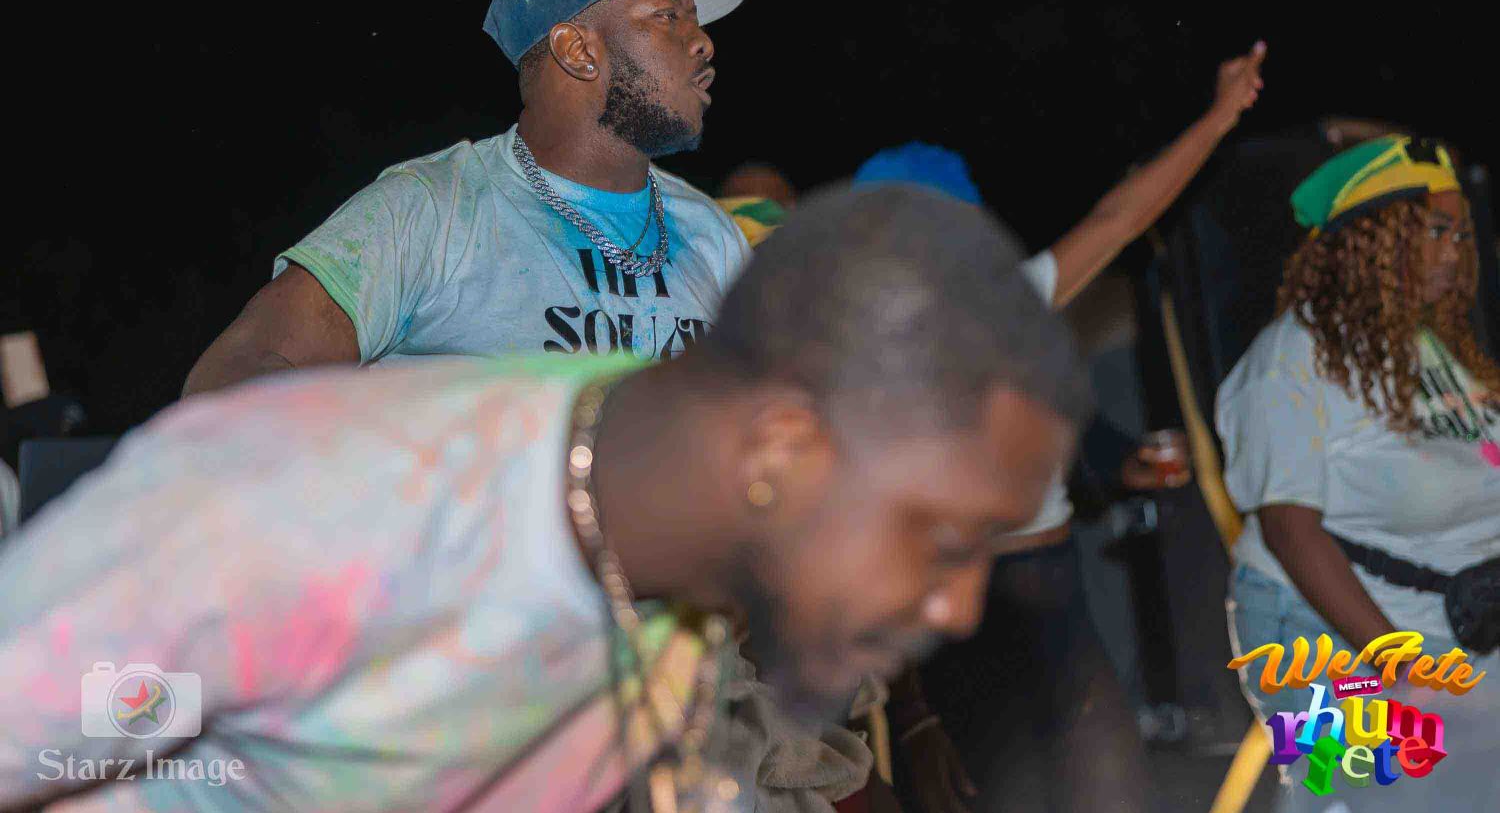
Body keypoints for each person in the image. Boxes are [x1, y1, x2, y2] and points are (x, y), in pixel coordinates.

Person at [0, 185, 1090, 813]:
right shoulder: (328, 521)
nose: (957, 606)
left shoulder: (663, 606)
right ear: (783, 449)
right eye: (942, 536)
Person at [857, 42, 1265, 813]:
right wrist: (913, 716)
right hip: (956, 626)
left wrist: (1219, 117)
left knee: (1115, 791)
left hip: (1058, 603)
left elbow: (1122, 216)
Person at [183, 0, 752, 395]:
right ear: (577, 50)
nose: (703, 41)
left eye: (696, 18)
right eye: (667, 14)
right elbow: (231, 378)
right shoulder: (432, 211)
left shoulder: (712, 235)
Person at [1220, 135, 1500, 810]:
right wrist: (1403, 668)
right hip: (1321, 636)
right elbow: (1289, 530)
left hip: (1449, 621)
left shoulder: (1429, 345)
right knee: (1361, 792)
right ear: (1373, 240)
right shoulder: (1291, 359)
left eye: (1461, 235)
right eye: (1434, 232)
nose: (1453, 252)